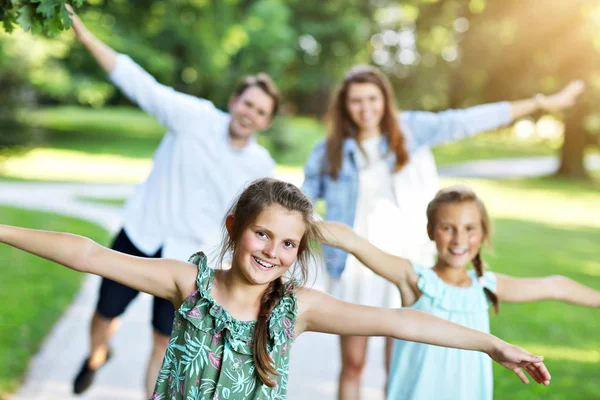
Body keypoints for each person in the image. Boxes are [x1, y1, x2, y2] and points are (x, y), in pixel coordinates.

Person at [0, 178, 551, 399]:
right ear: (234, 226)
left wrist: (492, 344)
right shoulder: (187, 283)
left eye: (288, 244)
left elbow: (401, 321)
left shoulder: (297, 309)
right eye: (261, 233)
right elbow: (90, 254)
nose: (271, 251)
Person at [301, 64, 584, 399]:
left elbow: (469, 119)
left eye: (372, 99)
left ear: (385, 99)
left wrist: (539, 103)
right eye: (356, 101)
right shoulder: (329, 149)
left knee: (400, 360)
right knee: (353, 363)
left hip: (405, 259)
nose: (366, 108)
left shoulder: (412, 131)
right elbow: (304, 202)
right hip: (354, 265)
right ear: (344, 105)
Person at [66, 7, 280, 396]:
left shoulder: (261, 166)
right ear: (235, 101)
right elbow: (139, 83)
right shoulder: (193, 116)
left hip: (189, 259)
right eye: (248, 103)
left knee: (163, 342)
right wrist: (83, 34)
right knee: (103, 315)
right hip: (141, 233)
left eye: (261, 112)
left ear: (267, 122)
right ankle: (97, 355)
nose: (251, 114)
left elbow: (269, 219)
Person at [317, 185, 600, 400]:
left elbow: (557, 285)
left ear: (483, 232)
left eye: (469, 229)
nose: (459, 239)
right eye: (447, 228)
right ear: (431, 231)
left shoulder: (487, 286)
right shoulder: (414, 279)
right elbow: (352, 241)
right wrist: (295, 224)